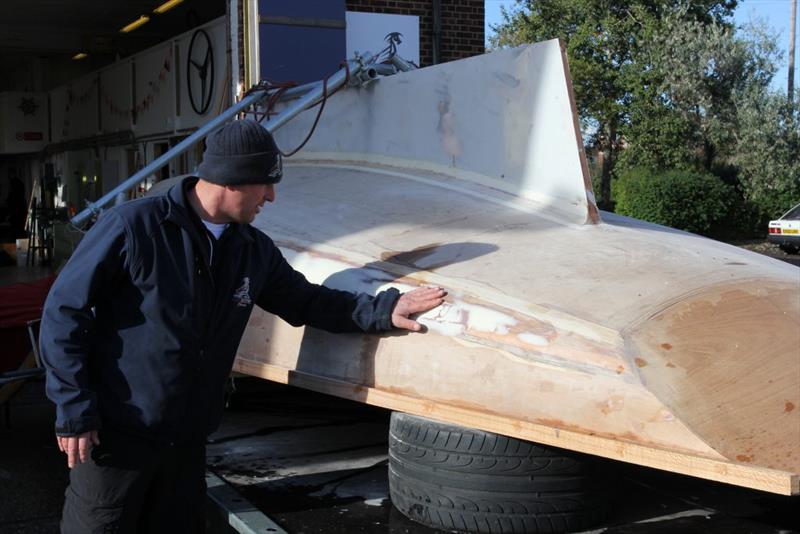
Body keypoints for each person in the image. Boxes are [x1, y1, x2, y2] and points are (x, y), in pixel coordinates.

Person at [40, 119, 446, 533]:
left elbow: (308, 302)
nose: (271, 197)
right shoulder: (135, 227)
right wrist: (73, 407)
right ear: (231, 179)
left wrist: (383, 310)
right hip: (116, 440)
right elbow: (63, 312)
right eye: (265, 184)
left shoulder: (252, 250)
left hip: (187, 444)